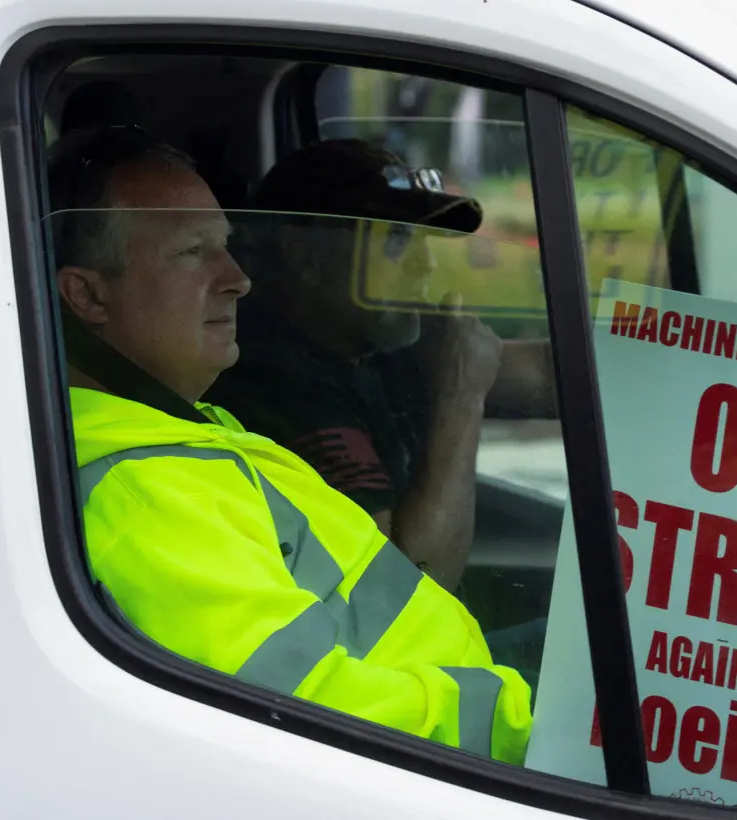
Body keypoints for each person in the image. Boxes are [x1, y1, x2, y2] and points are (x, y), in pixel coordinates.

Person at [48, 125, 532, 764]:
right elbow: (310, 718)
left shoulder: (185, 422)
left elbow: (537, 372)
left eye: (227, 246)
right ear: (87, 294)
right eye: (194, 252)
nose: (238, 278)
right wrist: (519, 722)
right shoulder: (139, 488)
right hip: (466, 753)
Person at [206, 140, 557, 593]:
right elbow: (412, 586)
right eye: (395, 239)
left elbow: (546, 375)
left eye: (417, 238)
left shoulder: (368, 337)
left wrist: (659, 340)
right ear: (306, 256)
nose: (425, 263)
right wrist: (460, 396)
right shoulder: (274, 387)